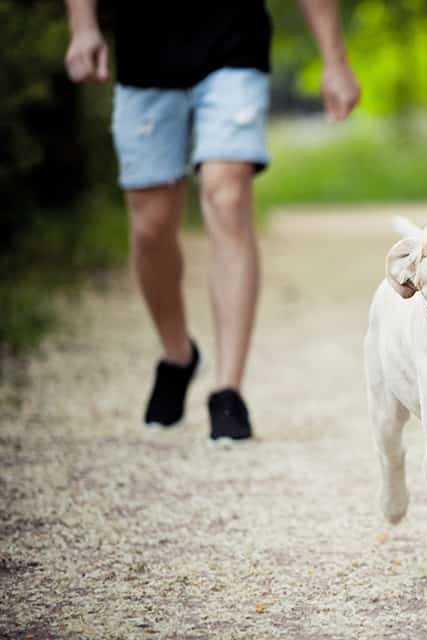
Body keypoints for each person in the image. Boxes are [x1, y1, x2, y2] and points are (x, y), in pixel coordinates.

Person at [63, 0, 360, 443]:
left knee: (227, 195)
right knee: (150, 226)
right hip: (145, 58)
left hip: (234, 49)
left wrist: (334, 60)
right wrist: (83, 25)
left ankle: (228, 391)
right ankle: (179, 356)